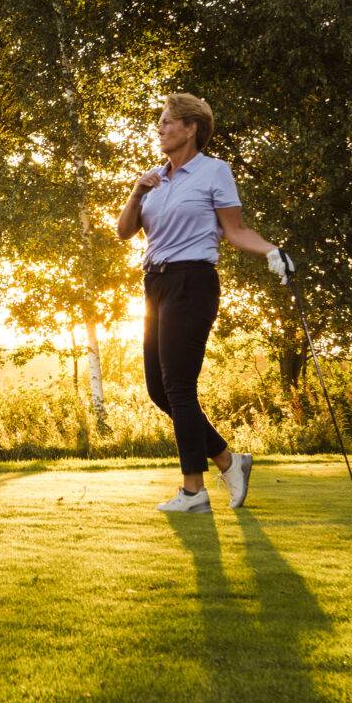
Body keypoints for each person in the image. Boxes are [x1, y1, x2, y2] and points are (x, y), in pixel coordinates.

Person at [115, 92, 291, 514]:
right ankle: (228, 461)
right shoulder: (155, 178)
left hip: (192, 281)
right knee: (159, 390)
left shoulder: (215, 171)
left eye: (167, 121)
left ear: (191, 128)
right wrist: (137, 192)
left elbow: (236, 229)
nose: (160, 128)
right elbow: (123, 232)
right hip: (155, 284)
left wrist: (272, 251)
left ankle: (193, 492)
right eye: (160, 122)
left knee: (178, 386)